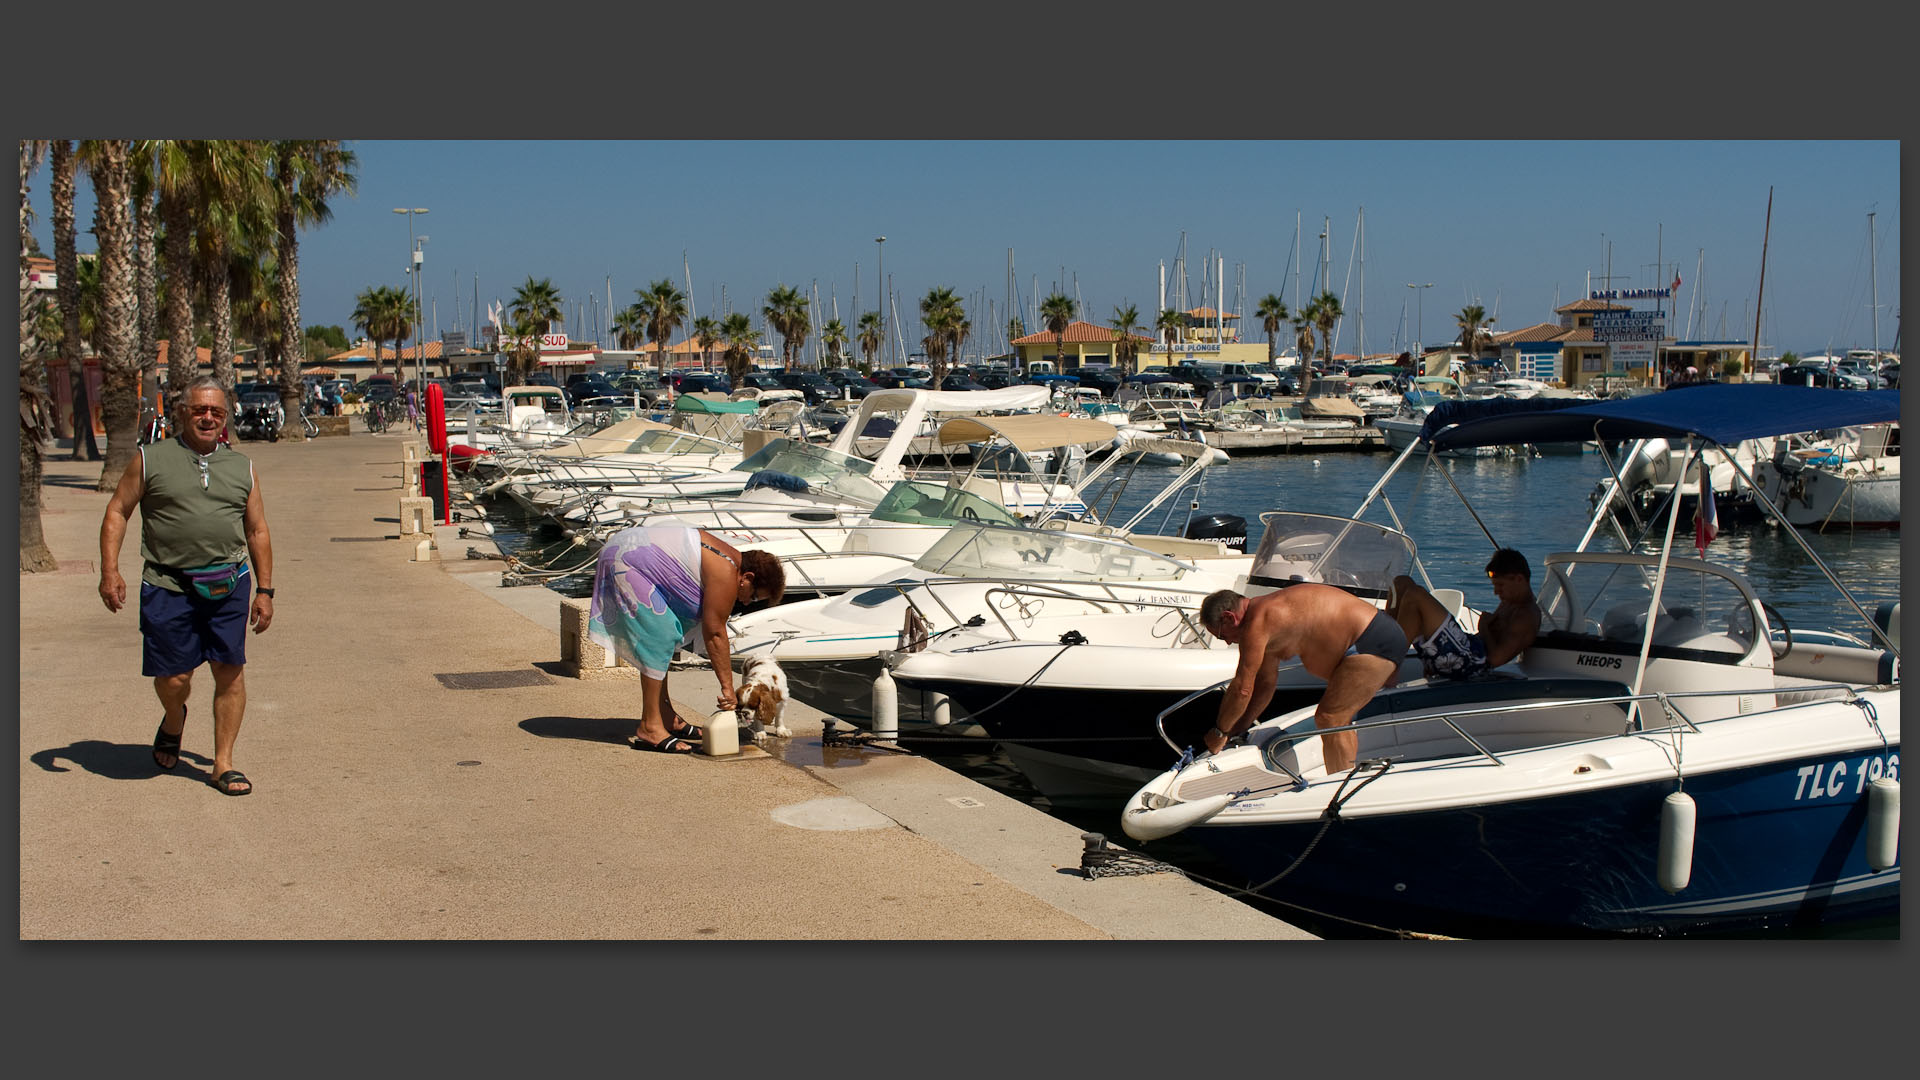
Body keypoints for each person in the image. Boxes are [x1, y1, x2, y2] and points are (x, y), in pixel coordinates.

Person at [99, 376, 274, 796]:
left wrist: (265, 590)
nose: (208, 418)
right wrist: (110, 570)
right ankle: (174, 718)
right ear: (182, 413)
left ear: (225, 417)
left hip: (229, 583)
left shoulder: (241, 466)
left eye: (216, 411)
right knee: (173, 678)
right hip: (167, 584)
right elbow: (118, 511)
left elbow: (257, 531)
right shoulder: (150, 459)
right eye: (199, 410)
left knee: (229, 673)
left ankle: (223, 764)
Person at [587, 526, 786, 753]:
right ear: (747, 578)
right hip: (625, 559)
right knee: (658, 636)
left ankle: (664, 714)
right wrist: (728, 689)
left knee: (665, 632)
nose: (749, 603)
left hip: (625, 548)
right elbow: (715, 633)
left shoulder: (729, 559)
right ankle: (650, 727)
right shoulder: (727, 573)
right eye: (754, 596)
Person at [1198, 583, 1408, 774]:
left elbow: (1242, 688)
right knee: (1337, 719)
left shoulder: (1257, 622)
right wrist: (1238, 728)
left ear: (1228, 617)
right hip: (1370, 639)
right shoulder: (1266, 622)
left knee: (1331, 718)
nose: (1226, 643)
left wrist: (1219, 731)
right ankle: (1344, 778)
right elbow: (1264, 685)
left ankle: (1340, 790)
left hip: (1371, 639)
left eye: (1221, 635)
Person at [1387, 548, 1541, 683]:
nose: (1496, 592)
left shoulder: (1525, 616)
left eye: (1500, 586)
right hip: (1468, 648)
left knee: (1415, 595)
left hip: (1473, 663)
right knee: (1401, 583)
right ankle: (1382, 652)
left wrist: (1483, 627)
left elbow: (1495, 659)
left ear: (1519, 579)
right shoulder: (1510, 601)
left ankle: (1388, 668)